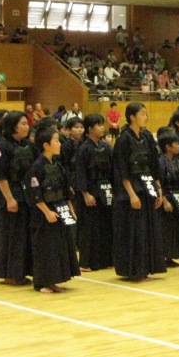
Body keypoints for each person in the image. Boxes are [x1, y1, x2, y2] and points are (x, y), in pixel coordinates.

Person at [111, 102, 165, 281]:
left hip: (147, 186)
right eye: (142, 113)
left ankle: (146, 268)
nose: (145, 117)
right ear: (132, 117)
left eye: (146, 113)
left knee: (147, 230)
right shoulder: (124, 139)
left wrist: (159, 190)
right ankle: (134, 271)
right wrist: (131, 194)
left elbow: (154, 165)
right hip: (131, 189)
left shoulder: (147, 136)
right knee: (135, 231)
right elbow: (121, 169)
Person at [26, 128, 80, 293]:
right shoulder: (36, 167)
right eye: (56, 140)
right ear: (46, 145)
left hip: (60, 208)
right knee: (45, 247)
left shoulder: (57, 164)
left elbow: (66, 190)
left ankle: (54, 280)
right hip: (43, 213)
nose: (60, 144)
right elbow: (34, 193)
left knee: (58, 246)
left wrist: (70, 209)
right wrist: (47, 212)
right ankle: (42, 283)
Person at [0, 111, 34, 285]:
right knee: (10, 236)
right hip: (10, 196)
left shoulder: (28, 145)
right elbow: (1, 177)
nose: (27, 126)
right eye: (23, 123)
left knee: (23, 236)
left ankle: (22, 271)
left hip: (26, 196)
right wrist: (9, 199)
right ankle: (9, 274)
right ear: (13, 126)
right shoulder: (2, 147)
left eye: (27, 123)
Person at [75, 114, 114, 272]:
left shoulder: (106, 147)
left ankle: (105, 259)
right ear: (90, 129)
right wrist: (85, 194)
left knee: (105, 225)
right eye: (99, 125)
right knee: (90, 227)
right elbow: (80, 173)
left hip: (106, 190)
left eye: (102, 124)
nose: (102, 128)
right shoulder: (84, 148)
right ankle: (86, 262)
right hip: (90, 190)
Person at [157, 131, 179, 268]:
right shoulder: (160, 162)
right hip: (167, 197)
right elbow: (159, 183)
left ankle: (172, 256)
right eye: (176, 144)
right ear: (168, 147)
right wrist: (164, 201)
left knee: (178, 227)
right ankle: (164, 256)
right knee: (166, 228)